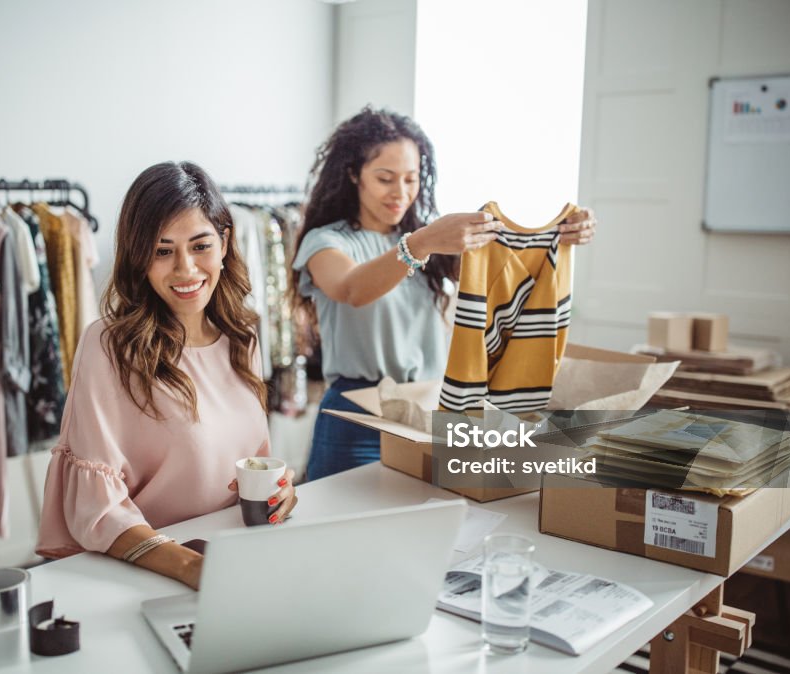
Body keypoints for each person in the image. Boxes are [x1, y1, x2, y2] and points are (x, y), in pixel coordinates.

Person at [291, 107, 597, 481]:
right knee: (339, 528)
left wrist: (562, 234)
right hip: (357, 417)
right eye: (385, 178)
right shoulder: (327, 241)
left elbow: (506, 269)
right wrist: (420, 244)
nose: (400, 193)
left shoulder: (431, 242)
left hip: (428, 411)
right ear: (354, 174)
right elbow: (352, 289)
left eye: (411, 178)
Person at [37, 161, 297, 589]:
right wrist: (191, 568)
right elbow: (96, 509)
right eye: (163, 250)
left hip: (236, 559)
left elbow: (251, 463)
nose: (186, 270)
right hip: (146, 573)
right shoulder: (109, 347)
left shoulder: (242, 336)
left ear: (225, 242)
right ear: (139, 257)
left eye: (200, 246)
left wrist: (279, 492)